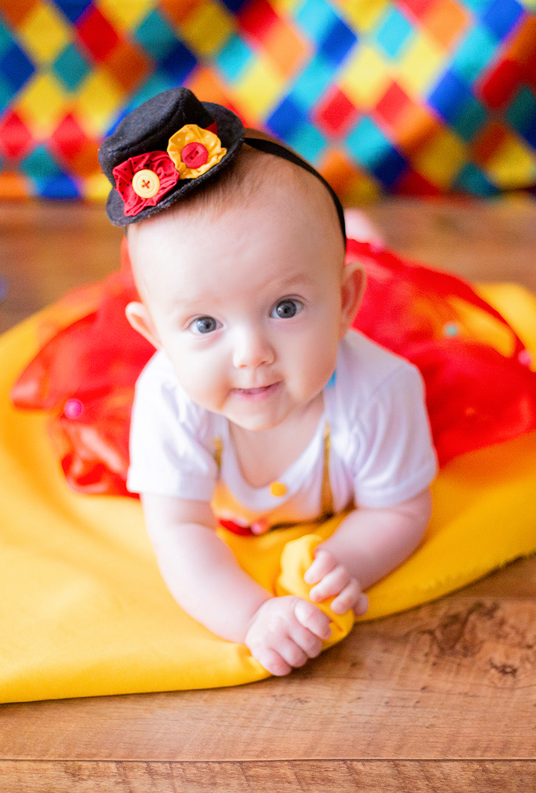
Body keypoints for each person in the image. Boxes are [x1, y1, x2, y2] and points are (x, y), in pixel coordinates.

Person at [99, 88, 438, 676]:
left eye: (285, 308)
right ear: (154, 337)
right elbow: (179, 530)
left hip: (357, 330)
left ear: (343, 302)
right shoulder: (168, 397)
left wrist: (346, 560)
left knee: (407, 307)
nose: (252, 354)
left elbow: (401, 510)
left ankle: (363, 243)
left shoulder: (382, 390)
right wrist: (252, 616)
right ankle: (340, 253)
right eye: (204, 324)